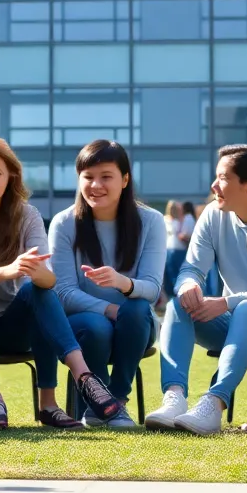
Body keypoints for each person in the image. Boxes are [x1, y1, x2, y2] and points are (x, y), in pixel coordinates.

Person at [0, 137, 121, 430]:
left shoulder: (27, 215)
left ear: (10, 177)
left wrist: (35, 271)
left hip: (12, 327)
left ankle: (79, 383)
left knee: (39, 290)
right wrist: (7, 271)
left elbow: (49, 279)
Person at [145, 144, 247, 435]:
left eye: (222, 178)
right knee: (178, 305)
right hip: (235, 324)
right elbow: (191, 269)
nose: (213, 186)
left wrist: (227, 303)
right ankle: (174, 398)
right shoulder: (213, 214)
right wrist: (189, 285)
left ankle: (214, 403)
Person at [48, 140, 165, 428]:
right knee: (96, 325)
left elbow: (152, 289)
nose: (95, 185)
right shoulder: (64, 223)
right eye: (88, 177)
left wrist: (122, 283)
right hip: (85, 328)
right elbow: (62, 293)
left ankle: (116, 401)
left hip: (136, 327)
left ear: (125, 179)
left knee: (137, 308)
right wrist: (110, 309)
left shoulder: (151, 221)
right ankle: (97, 403)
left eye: (106, 177)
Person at [163, 201, 193, 297]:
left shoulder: (164, 220)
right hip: (177, 249)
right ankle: (177, 295)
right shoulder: (178, 221)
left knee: (170, 274)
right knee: (176, 274)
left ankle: (172, 296)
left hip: (168, 249)